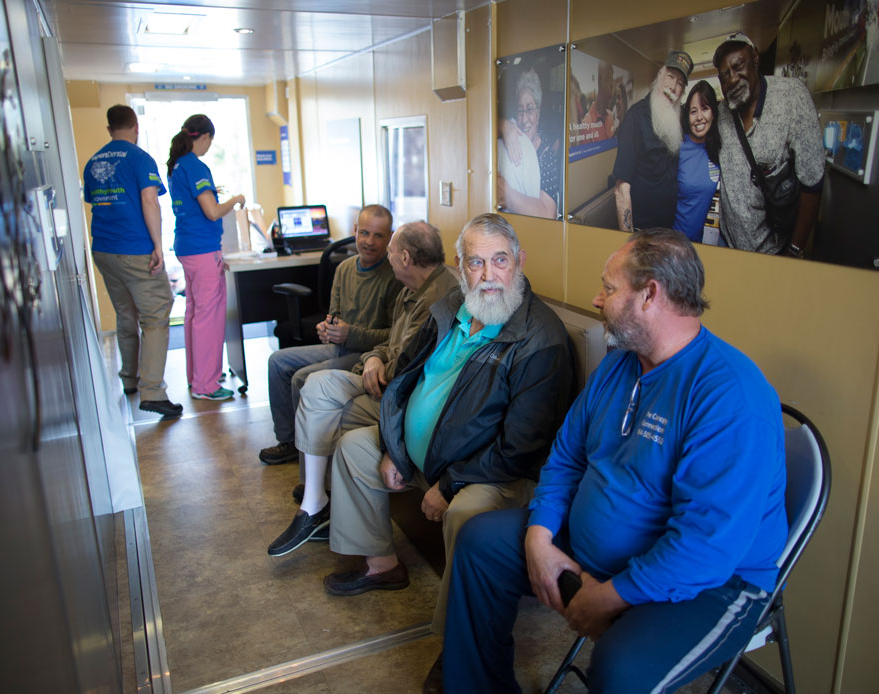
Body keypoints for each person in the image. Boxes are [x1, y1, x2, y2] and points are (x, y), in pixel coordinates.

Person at [443, 228, 788, 693]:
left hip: (711, 584)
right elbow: (566, 457)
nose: (597, 299)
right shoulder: (620, 363)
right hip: (599, 553)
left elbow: (705, 548)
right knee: (481, 542)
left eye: (608, 288)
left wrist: (608, 596)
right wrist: (540, 538)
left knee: (620, 670)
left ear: (650, 295)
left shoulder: (730, 396)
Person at [319, 213, 574, 685]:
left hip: (491, 473)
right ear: (459, 266)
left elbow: (521, 449)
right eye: (476, 262)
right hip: (429, 456)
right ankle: (381, 564)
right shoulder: (453, 304)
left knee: (466, 514)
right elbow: (405, 381)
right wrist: (396, 447)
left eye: (500, 260)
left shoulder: (540, 337)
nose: (489, 274)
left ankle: (458, 639)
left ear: (519, 262)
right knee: (355, 445)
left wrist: (449, 483)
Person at [265, 221, 459, 557]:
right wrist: (372, 360)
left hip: (401, 396)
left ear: (406, 257)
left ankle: (323, 511)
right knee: (316, 385)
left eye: (391, 250)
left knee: (332, 413)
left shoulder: (441, 301)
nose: (386, 255)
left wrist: (376, 361)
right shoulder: (409, 288)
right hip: (378, 375)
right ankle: (315, 502)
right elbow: (389, 342)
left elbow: (412, 371)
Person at [258, 204, 401, 465]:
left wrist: (348, 334)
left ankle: (310, 458)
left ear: (390, 237)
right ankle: (288, 441)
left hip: (365, 354)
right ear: (355, 231)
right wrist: (326, 328)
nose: (369, 241)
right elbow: (334, 313)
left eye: (378, 235)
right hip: (339, 347)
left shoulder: (393, 276)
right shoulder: (344, 268)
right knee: (277, 361)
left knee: (302, 378)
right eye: (364, 233)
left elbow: (393, 336)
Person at [84, 105, 182, 418]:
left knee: (125, 313)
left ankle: (129, 378)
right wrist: (157, 246)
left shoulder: (93, 161)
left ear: (109, 127)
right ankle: (152, 391)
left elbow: (95, 202)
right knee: (155, 315)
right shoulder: (140, 159)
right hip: (134, 249)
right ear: (135, 125)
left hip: (103, 250)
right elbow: (149, 200)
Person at [713, 33, 825, 257]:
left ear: (755, 59)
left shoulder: (791, 97)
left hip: (773, 251)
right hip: (726, 243)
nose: (732, 79)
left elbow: (812, 183)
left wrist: (794, 250)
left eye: (738, 66)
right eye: (724, 75)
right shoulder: (722, 112)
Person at [166, 114, 245, 401]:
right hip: (202, 249)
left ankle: (198, 375)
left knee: (194, 314)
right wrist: (234, 200)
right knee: (208, 318)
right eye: (211, 140)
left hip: (188, 248)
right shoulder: (195, 165)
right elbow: (212, 212)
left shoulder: (177, 165)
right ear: (206, 137)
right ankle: (206, 385)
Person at [612, 51, 694, 232]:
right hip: (641, 231)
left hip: (667, 228)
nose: (673, 87)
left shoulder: (677, 121)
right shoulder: (635, 117)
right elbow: (621, 188)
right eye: (670, 77)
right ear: (660, 76)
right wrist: (628, 240)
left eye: (680, 83)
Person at [497, 69, 560, 219]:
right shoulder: (507, 136)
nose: (524, 119)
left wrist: (507, 195)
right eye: (520, 111)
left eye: (530, 109)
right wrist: (502, 125)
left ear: (538, 112)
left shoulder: (547, 156)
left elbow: (548, 213)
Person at [673, 81, 722, 243]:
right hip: (673, 241)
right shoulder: (677, 149)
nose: (699, 117)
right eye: (693, 111)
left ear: (713, 113)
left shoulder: (718, 148)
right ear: (687, 117)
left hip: (698, 241)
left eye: (705, 109)